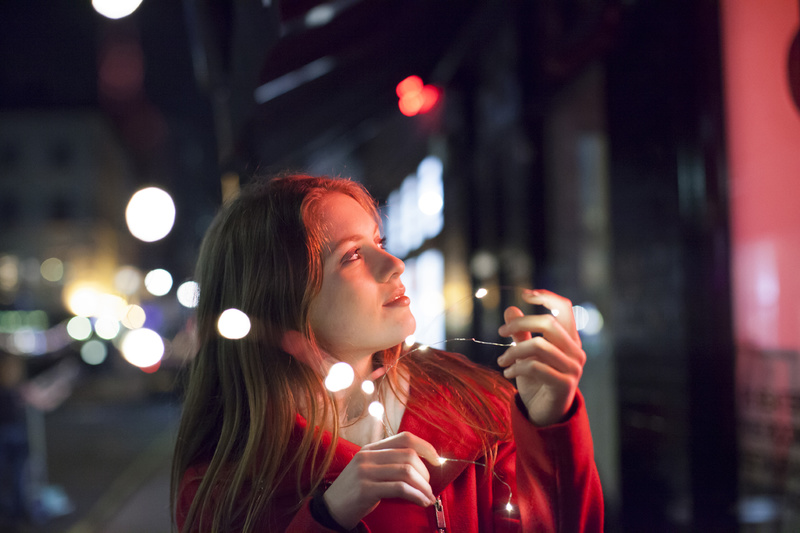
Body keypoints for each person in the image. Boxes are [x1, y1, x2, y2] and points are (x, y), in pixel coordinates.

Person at [171, 174, 604, 532]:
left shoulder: (477, 410)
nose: (394, 263)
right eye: (354, 255)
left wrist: (551, 424)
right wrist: (328, 517)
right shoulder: (226, 487)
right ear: (278, 300)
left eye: (379, 240)